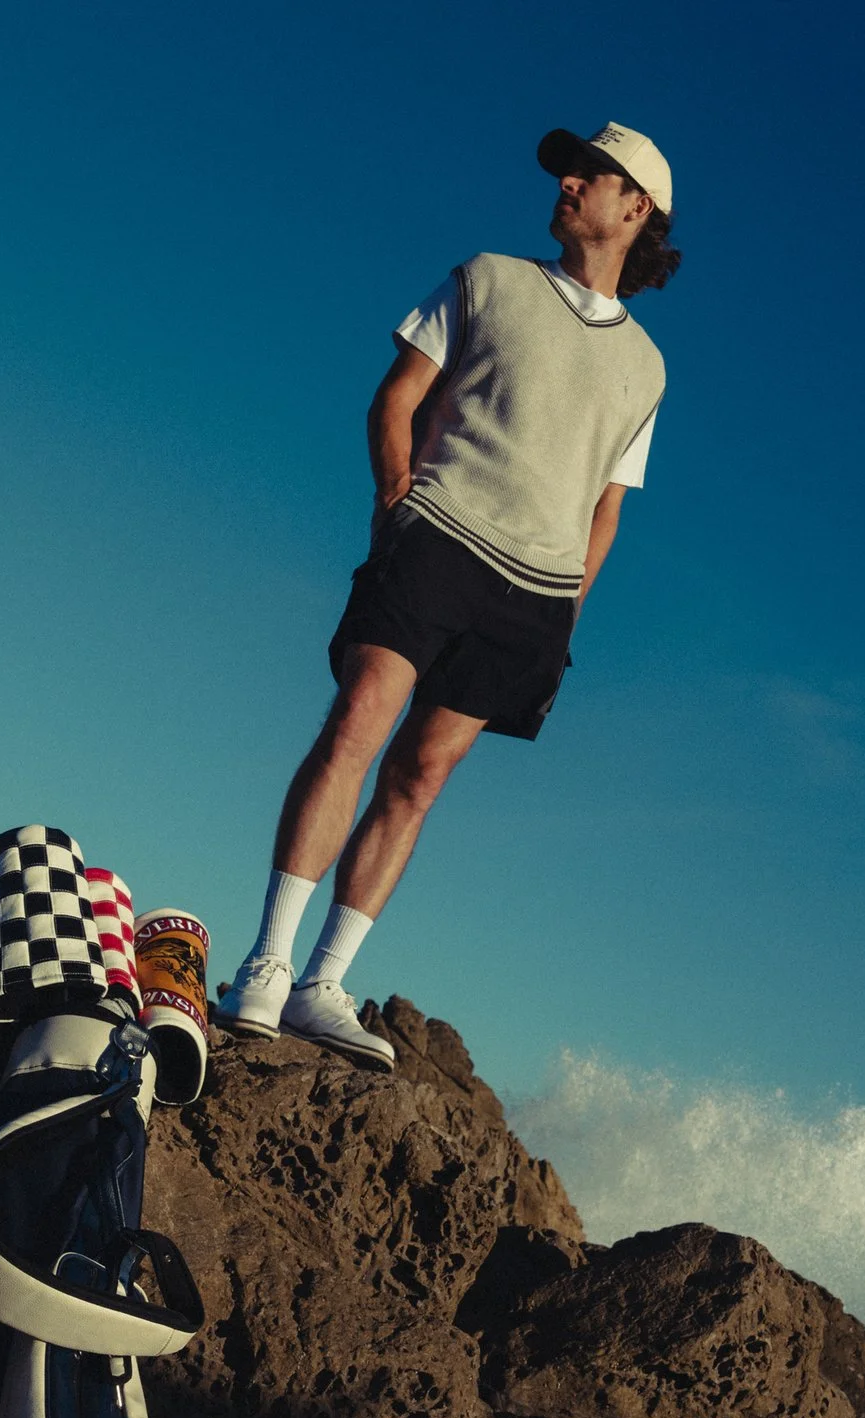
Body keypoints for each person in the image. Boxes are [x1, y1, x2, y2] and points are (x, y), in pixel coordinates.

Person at [214, 121, 681, 1069]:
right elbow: (397, 398)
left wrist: (566, 617)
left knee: (420, 779)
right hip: (439, 537)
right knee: (359, 720)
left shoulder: (649, 366)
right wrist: (397, 508)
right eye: (568, 169)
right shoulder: (487, 278)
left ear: (635, 208)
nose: (569, 182)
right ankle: (265, 963)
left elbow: (608, 508)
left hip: (535, 596)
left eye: (592, 174)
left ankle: (322, 985)